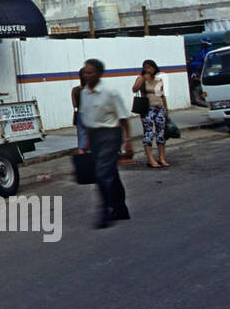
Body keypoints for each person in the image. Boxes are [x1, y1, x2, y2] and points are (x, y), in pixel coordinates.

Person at [77, 59, 133, 229]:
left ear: (100, 74)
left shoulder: (110, 92)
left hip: (111, 134)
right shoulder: (84, 93)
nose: (86, 75)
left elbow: (123, 117)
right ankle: (121, 208)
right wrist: (86, 140)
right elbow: (86, 117)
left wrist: (128, 141)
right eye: (84, 72)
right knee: (110, 173)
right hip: (94, 136)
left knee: (102, 174)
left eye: (90, 72)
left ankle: (105, 210)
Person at [132, 59, 170, 169]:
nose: (148, 69)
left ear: (154, 68)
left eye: (150, 67)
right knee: (148, 133)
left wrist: (166, 109)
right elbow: (134, 89)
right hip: (147, 109)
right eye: (145, 67)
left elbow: (162, 95)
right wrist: (141, 78)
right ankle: (150, 158)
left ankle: (162, 158)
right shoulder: (141, 79)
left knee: (161, 133)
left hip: (159, 108)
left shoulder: (158, 80)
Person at [71, 64, 91, 156]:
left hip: (80, 115)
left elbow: (74, 105)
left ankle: (83, 159)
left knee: (81, 140)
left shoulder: (75, 90)